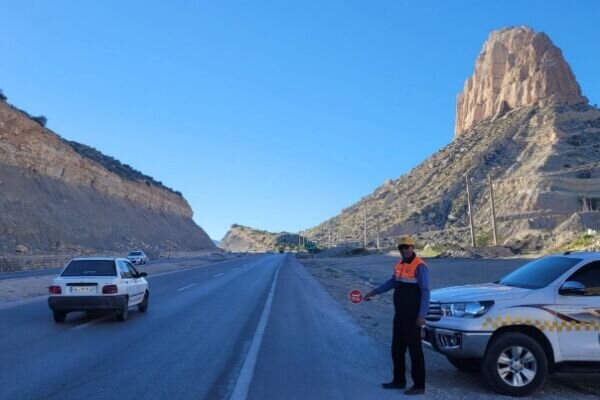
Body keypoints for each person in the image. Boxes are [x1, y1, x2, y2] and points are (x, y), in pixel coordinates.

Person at [364, 235, 430, 395]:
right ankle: (399, 381)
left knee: (415, 351)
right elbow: (391, 283)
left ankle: (419, 386)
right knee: (397, 349)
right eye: (401, 247)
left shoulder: (419, 266)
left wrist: (422, 315)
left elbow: (425, 292)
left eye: (406, 247)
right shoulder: (399, 265)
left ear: (413, 247)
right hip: (400, 315)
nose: (404, 250)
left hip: (413, 316)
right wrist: (374, 292)